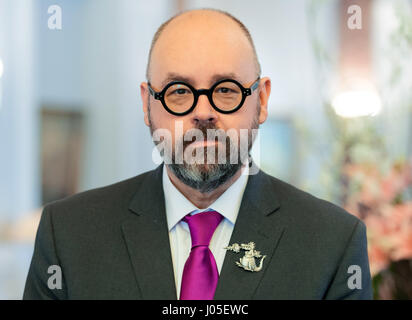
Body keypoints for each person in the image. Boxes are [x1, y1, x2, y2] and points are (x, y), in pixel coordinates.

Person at [23, 8, 372, 300]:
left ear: (261, 101)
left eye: (224, 89)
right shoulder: (69, 234)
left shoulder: (332, 243)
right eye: (178, 91)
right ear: (147, 104)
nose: (203, 112)